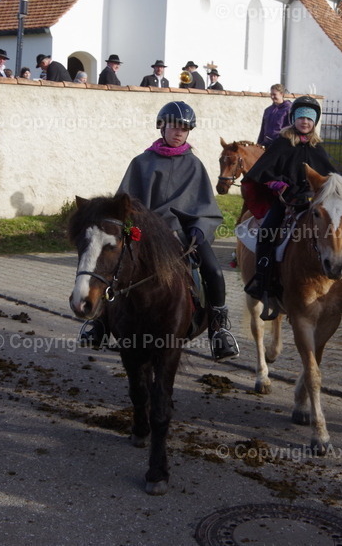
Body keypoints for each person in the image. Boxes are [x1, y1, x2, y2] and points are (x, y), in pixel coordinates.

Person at [97, 101, 239, 361]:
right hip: (146, 234)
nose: (179, 132)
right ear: (162, 126)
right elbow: (125, 204)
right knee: (111, 265)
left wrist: (199, 230)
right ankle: (99, 322)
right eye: (174, 126)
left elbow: (205, 208)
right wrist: (132, 228)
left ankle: (218, 330)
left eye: (184, 129)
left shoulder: (195, 165)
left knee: (214, 270)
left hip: (186, 234)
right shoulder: (141, 162)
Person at [242, 96, 336, 319]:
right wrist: (275, 182)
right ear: (293, 118)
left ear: (315, 122)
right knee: (266, 234)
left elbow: (331, 176)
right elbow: (263, 171)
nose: (305, 122)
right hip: (287, 203)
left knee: (339, 229)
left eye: (309, 118)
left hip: (314, 203)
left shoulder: (318, 147)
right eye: (301, 117)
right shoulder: (282, 143)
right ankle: (262, 282)